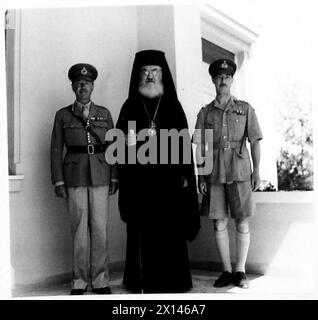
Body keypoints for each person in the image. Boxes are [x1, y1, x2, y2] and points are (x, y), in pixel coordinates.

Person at [116, 49, 200, 294]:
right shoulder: (130, 106)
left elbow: (184, 143)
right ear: (138, 75)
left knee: (169, 233)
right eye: (145, 71)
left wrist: (185, 175)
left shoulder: (173, 105)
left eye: (155, 71)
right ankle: (140, 281)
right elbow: (122, 144)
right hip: (140, 182)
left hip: (169, 182)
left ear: (162, 74)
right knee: (142, 232)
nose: (150, 75)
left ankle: (174, 281)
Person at [193, 59, 262, 289]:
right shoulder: (205, 112)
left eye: (227, 77)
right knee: (219, 222)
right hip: (214, 172)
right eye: (219, 77)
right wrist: (201, 176)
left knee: (242, 220)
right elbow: (200, 146)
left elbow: (255, 142)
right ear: (213, 80)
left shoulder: (245, 108)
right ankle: (225, 270)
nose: (223, 80)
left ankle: (240, 271)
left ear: (232, 80)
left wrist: (257, 172)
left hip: (240, 171)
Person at [50, 63, 118, 295]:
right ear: (72, 87)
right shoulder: (63, 115)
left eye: (86, 83)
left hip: (100, 174)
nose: (82, 87)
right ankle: (79, 281)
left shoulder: (105, 114)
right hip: (74, 176)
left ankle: (100, 281)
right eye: (78, 83)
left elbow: (113, 147)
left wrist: (115, 177)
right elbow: (56, 149)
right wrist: (58, 180)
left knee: (100, 230)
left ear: (92, 86)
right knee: (78, 231)